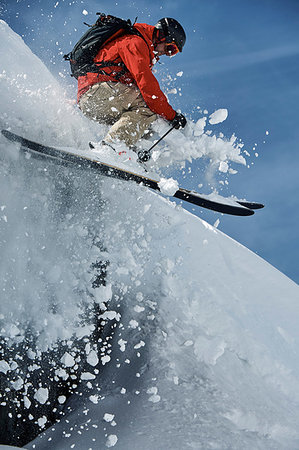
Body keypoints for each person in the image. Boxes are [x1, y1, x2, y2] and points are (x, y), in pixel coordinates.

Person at [77, 17, 187, 161]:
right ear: (161, 36)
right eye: (170, 48)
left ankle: (127, 154)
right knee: (147, 107)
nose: (167, 54)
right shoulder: (134, 43)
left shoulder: (142, 48)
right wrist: (172, 116)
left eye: (173, 52)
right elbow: (148, 87)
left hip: (100, 97)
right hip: (95, 95)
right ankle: (111, 147)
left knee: (149, 122)